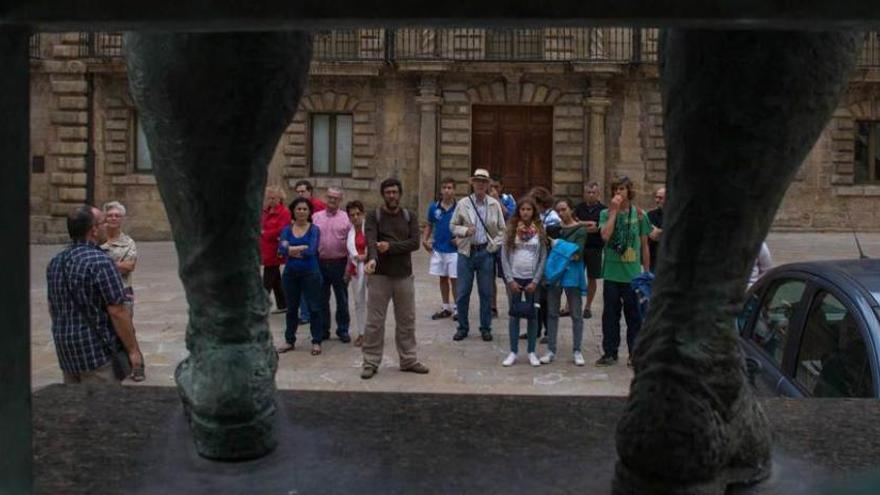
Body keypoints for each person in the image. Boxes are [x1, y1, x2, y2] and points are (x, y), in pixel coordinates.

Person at [47, 205, 144, 384]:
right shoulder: (100, 261)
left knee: (75, 407)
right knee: (102, 408)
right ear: (93, 230)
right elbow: (118, 311)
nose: (106, 225)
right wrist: (133, 350)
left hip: (66, 351)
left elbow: (53, 307)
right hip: (96, 353)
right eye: (103, 222)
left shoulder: (55, 262)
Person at [361, 178, 429, 379]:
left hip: (404, 276)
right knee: (374, 322)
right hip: (380, 276)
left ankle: (408, 359)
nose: (392, 195)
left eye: (395, 192)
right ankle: (370, 362)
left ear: (400, 194)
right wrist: (373, 259)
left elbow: (414, 243)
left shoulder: (410, 216)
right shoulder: (375, 216)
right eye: (388, 192)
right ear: (383, 194)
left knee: (407, 321)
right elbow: (371, 240)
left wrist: (390, 247)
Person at [596, 176, 652, 367]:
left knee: (634, 316)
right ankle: (610, 352)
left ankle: (634, 353)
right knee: (610, 316)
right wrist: (613, 212)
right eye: (615, 189)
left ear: (629, 191)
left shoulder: (640, 215)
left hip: (632, 275)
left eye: (622, 189)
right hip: (612, 273)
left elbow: (644, 245)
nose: (618, 193)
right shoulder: (605, 213)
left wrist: (647, 272)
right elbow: (604, 236)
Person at [450, 168, 507, 342]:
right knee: (463, 292)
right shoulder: (463, 203)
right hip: (466, 252)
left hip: (485, 252)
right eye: (478, 181)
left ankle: (485, 327)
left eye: (484, 182)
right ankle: (463, 327)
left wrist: (493, 246)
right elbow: (452, 226)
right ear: (472, 183)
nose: (480, 185)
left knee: (486, 292)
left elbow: (502, 230)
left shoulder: (494, 204)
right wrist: (465, 230)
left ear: (488, 185)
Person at [499, 197, 547, 367]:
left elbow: (543, 257)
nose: (525, 212)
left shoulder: (540, 231)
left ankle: (532, 351)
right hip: (515, 278)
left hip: (532, 280)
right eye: (523, 209)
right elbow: (503, 256)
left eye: (529, 209)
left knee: (532, 316)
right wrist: (509, 279)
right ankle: (513, 351)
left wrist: (536, 280)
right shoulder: (510, 230)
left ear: (533, 212)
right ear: (518, 211)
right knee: (514, 315)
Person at [541, 199, 589, 366]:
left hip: (572, 275)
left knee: (576, 313)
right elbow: (553, 249)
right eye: (558, 210)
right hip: (555, 274)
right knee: (552, 313)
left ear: (571, 210)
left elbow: (578, 252)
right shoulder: (555, 229)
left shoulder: (581, 230)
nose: (561, 213)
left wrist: (559, 245)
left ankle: (577, 350)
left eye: (564, 209)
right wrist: (566, 250)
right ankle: (551, 350)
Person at [276, 197, 324, 355]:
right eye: (299, 209)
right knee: (291, 309)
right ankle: (289, 340)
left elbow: (311, 250)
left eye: (305, 209)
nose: (302, 212)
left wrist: (291, 249)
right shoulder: (286, 230)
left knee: (314, 308)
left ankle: (316, 341)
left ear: (310, 212)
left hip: (310, 274)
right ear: (293, 211)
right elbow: (281, 249)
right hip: (290, 275)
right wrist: (296, 249)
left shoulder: (314, 229)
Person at [312, 187, 352, 343]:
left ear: (340, 200)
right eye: (330, 197)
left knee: (342, 298)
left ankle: (342, 329)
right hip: (320, 262)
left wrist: (349, 267)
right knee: (322, 298)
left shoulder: (346, 218)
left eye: (336, 198)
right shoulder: (315, 217)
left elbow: (351, 244)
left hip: (339, 263)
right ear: (325, 198)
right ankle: (323, 329)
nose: (332, 200)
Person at [525, 186, 560, 341]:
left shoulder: (552, 217)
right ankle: (535, 329)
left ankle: (548, 331)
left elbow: (553, 238)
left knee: (546, 299)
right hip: (533, 260)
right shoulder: (533, 216)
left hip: (548, 261)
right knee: (533, 297)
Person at [423, 177, 458, 320]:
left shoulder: (460, 207)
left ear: (454, 190)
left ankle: (458, 308)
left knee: (455, 279)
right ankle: (446, 306)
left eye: (450, 187)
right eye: (444, 187)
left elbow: (468, 226)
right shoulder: (434, 207)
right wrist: (425, 240)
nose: (447, 190)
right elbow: (430, 224)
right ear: (441, 190)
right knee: (442, 278)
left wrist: (461, 239)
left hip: (454, 250)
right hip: (438, 248)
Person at [291, 179, 324, 326]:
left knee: (317, 284)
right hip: (300, 252)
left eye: (303, 191)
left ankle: (316, 312)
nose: (300, 194)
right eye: (298, 192)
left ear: (310, 192)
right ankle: (304, 314)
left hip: (317, 251)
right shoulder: (295, 208)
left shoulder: (319, 207)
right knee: (303, 285)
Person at [574, 182, 606, 319]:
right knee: (575, 276)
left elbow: (598, 228)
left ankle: (588, 306)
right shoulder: (579, 208)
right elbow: (574, 225)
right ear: (584, 193)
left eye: (594, 192)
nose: (591, 194)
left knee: (592, 277)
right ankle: (571, 305)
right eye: (588, 192)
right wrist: (589, 224)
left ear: (598, 194)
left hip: (595, 248)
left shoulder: (603, 210)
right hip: (579, 247)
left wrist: (583, 225)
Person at [100, 201, 138, 316]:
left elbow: (129, 266)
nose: (113, 218)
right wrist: (117, 264)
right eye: (110, 215)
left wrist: (101, 265)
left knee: (125, 328)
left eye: (117, 216)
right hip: (99, 290)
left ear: (122, 219)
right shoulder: (95, 239)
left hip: (122, 289)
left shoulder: (128, 242)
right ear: (104, 218)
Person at [259, 186, 291, 314]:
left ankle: (261, 304)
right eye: (269, 198)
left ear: (280, 199)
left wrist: (265, 233)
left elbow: (283, 229)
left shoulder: (284, 212)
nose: (271, 200)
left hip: (275, 249)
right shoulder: (265, 211)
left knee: (267, 280)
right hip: (265, 248)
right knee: (275, 278)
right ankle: (283, 303)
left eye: (274, 198)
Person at [489, 176, 516, 317]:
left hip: (504, 245)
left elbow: (510, 216)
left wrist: (497, 201)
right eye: (491, 186)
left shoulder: (508, 200)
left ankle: (513, 305)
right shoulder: (483, 201)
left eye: (496, 187)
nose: (493, 189)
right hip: (489, 243)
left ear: (501, 187)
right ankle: (492, 307)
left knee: (507, 277)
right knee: (489, 277)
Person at [346, 200, 368, 347]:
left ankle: (372, 332)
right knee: (359, 302)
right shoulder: (350, 233)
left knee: (373, 303)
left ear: (363, 214)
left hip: (371, 269)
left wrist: (367, 256)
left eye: (358, 214)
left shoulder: (371, 229)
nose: (355, 217)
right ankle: (362, 333)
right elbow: (349, 252)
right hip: (355, 269)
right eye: (352, 215)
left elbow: (374, 245)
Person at [647, 186, 665, 273]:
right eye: (656, 197)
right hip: (653, 259)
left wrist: (659, 232)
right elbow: (652, 235)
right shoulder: (650, 215)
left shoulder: (674, 216)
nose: (657, 200)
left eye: (660, 198)